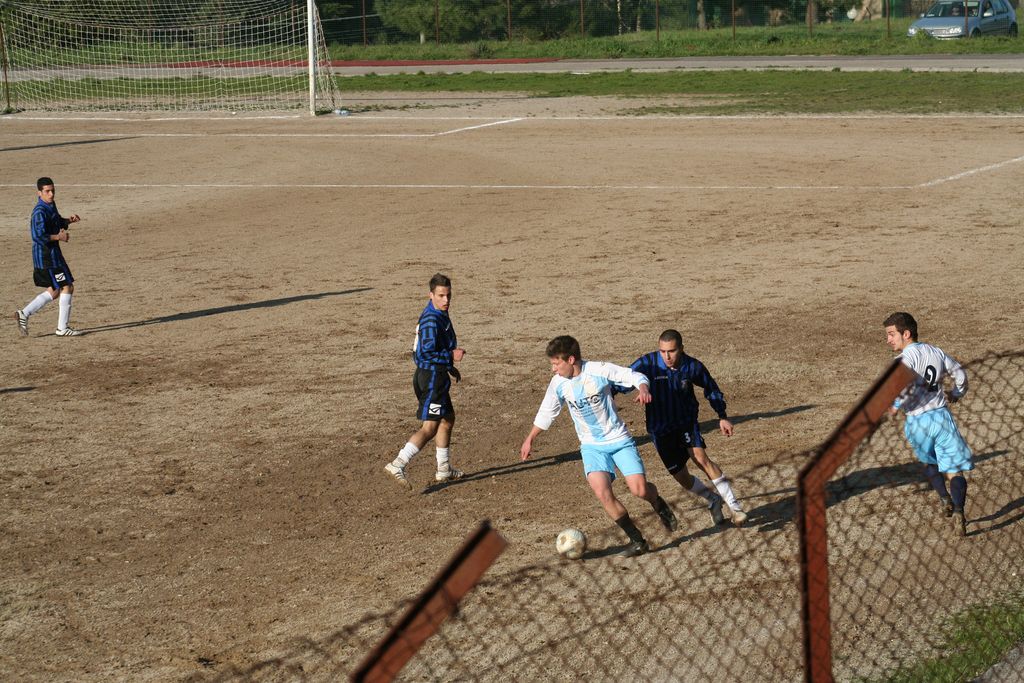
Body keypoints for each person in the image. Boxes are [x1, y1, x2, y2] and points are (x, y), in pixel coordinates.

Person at [520, 335, 678, 558]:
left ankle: (657, 502)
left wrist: (643, 389)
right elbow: (547, 411)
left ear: (571, 359)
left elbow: (634, 376)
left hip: (619, 440)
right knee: (603, 493)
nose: (553, 369)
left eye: (556, 363)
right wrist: (530, 438)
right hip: (591, 446)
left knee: (639, 490)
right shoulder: (558, 383)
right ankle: (637, 540)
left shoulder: (599, 370)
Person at [619, 330, 748, 527]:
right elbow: (623, 379)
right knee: (682, 477)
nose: (667, 356)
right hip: (660, 430)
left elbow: (711, 387)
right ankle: (712, 499)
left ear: (681, 349)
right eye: (663, 351)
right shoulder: (648, 363)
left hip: (685, 422)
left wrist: (722, 416)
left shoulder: (692, 366)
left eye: (671, 351)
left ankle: (735, 507)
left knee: (701, 458)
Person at [884, 312, 973, 537]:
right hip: (941, 418)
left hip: (916, 421)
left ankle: (944, 498)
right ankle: (959, 511)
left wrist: (895, 404)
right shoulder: (936, 352)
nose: (888, 340)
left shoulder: (903, 359)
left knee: (929, 462)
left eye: (891, 334)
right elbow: (960, 374)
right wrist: (956, 394)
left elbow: (902, 384)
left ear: (906, 333)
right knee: (954, 469)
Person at [385, 273, 466, 488]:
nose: (446, 300)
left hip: (436, 375)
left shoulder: (438, 313)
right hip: (431, 379)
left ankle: (444, 469)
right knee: (430, 427)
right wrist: (450, 356)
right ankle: (398, 464)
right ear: (431, 295)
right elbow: (425, 354)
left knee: (448, 419)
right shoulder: (431, 320)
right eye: (441, 296)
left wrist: (449, 367)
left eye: (448, 295)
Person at [14, 177, 83, 337]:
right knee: (67, 286)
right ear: (39, 193)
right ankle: (62, 328)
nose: (51, 194)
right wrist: (59, 237)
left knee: (55, 290)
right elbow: (38, 236)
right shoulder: (39, 212)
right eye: (47, 191)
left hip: (53, 255)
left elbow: (56, 221)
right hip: (47, 258)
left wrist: (68, 221)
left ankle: (24, 313)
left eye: (52, 190)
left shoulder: (50, 205)